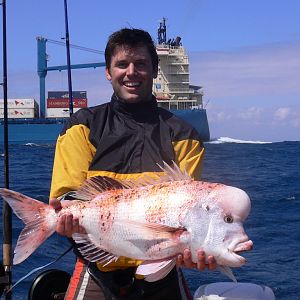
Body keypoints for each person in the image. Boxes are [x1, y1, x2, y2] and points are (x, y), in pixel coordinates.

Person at [49, 28, 216, 300]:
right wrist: (63, 216)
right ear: (107, 71)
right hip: (97, 267)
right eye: (122, 64)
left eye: (140, 64)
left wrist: (198, 249)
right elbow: (67, 197)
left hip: (163, 269)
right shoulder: (82, 126)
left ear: (154, 70)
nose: (131, 72)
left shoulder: (184, 136)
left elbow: (189, 216)